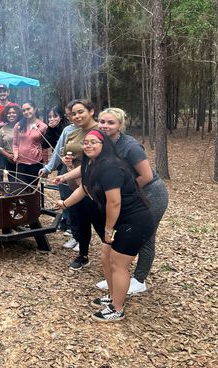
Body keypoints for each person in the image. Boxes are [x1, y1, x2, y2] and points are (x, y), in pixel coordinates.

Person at [57, 108, 169, 295]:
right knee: (124, 233)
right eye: (102, 122)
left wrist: (121, 192)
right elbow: (89, 166)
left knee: (145, 237)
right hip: (129, 194)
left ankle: (139, 280)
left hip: (150, 193)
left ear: (120, 125)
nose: (105, 126)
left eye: (111, 123)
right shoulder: (102, 142)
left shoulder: (130, 147)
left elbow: (147, 176)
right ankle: (120, 273)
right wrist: (64, 176)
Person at [57, 130, 156, 322]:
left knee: (118, 264)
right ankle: (112, 296)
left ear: (104, 145)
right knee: (106, 257)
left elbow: (114, 203)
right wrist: (65, 203)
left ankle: (117, 308)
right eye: (86, 142)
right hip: (121, 221)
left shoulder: (110, 167)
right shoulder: (91, 165)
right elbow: (84, 189)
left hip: (135, 221)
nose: (88, 145)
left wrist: (108, 229)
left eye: (94, 142)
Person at [53, 99, 99, 270]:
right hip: (74, 185)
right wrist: (67, 162)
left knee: (101, 225)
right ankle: (83, 255)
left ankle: (114, 260)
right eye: (73, 114)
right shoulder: (73, 132)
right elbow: (66, 153)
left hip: (94, 188)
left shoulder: (100, 132)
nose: (77, 116)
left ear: (91, 111)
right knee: (80, 221)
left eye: (81, 112)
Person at [39, 105, 74, 232]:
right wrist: (50, 129)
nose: (52, 118)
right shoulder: (53, 129)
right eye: (49, 117)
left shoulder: (68, 129)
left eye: (55, 116)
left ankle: (71, 226)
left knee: (71, 195)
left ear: (61, 116)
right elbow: (44, 145)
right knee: (64, 194)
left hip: (73, 165)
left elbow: (62, 148)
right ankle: (65, 222)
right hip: (61, 165)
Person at [12, 101, 47, 186]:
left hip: (36, 162)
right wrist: (15, 153)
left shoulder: (43, 126)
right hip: (21, 162)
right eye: (24, 110)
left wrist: (46, 165)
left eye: (28, 109)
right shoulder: (18, 125)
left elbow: (45, 147)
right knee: (21, 188)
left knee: (33, 188)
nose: (26, 112)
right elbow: (15, 143)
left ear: (35, 109)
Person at [0, 105, 22, 181]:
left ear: (18, 114)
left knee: (23, 184)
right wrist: (8, 156)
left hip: (23, 161)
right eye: (9, 113)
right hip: (9, 161)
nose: (11, 115)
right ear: (5, 115)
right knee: (12, 183)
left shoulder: (23, 127)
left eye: (14, 113)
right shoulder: (2, 130)